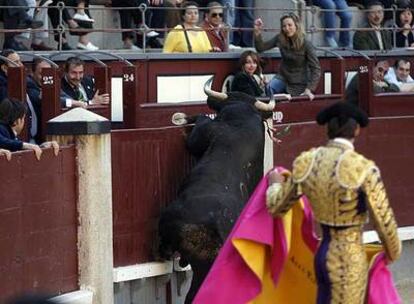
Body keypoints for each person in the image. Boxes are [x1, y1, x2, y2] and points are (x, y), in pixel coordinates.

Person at [266, 101, 401, 303]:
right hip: (349, 258)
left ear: (327, 130)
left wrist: (274, 185)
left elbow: (276, 207)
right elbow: (384, 221)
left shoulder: (308, 162)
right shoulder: (362, 168)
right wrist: (393, 252)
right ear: (356, 130)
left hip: (321, 255)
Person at [254, 13, 321, 100]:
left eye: (290, 25)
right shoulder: (280, 38)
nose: (287, 28)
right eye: (284, 26)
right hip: (283, 77)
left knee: (291, 103)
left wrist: (309, 89)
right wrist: (257, 32)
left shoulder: (306, 44)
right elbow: (261, 48)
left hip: (299, 82)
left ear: (296, 25)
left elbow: (316, 68)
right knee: (269, 88)